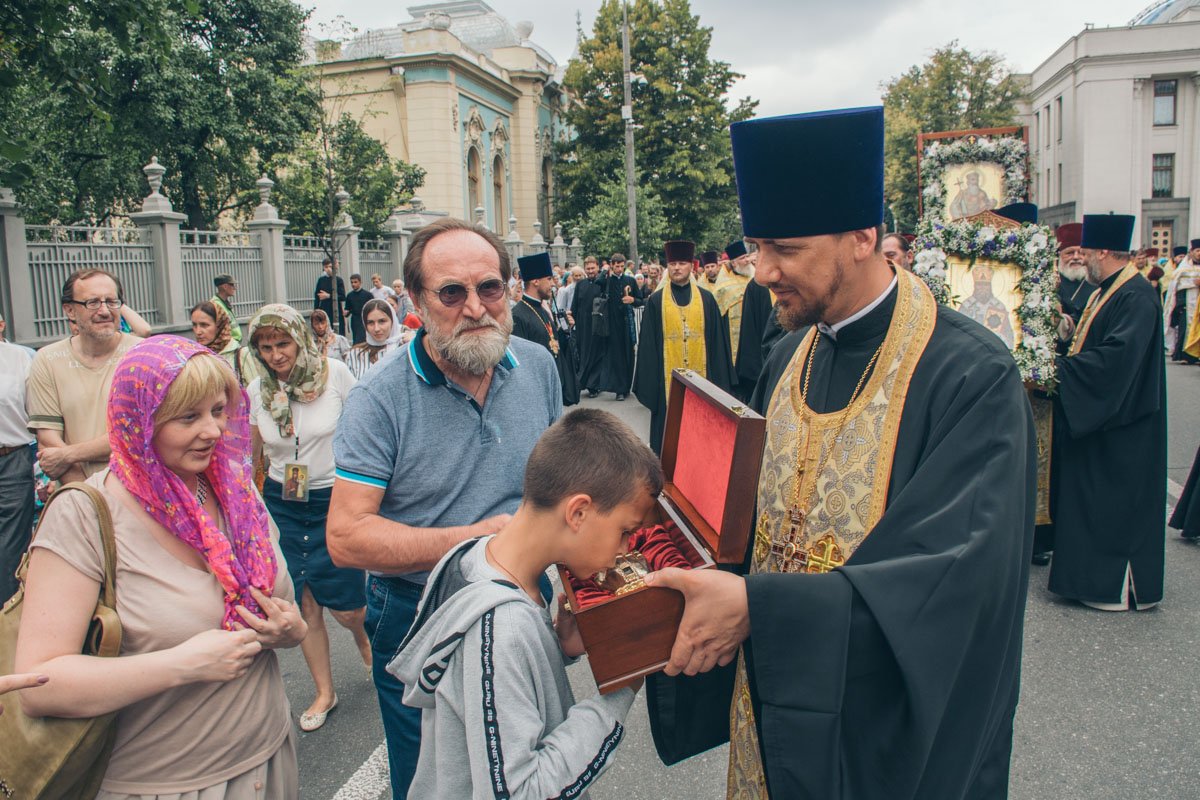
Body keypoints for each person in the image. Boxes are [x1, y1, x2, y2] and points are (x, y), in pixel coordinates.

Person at [640, 107, 1035, 799]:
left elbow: (953, 583)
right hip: (777, 703)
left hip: (885, 740)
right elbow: (740, 519)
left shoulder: (971, 376)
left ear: (863, 237)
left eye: (784, 249)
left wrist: (760, 608)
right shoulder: (790, 353)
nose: (761, 271)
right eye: (756, 245)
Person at [328, 217, 562, 799]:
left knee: (528, 760)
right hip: (418, 613)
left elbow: (561, 483)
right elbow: (347, 537)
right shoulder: (377, 400)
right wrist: (476, 539)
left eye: (490, 287)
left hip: (524, 603)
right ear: (415, 300)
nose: (476, 307)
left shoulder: (537, 366)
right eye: (452, 293)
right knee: (433, 781)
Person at [15, 335, 304, 795]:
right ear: (138, 421)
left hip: (267, 761)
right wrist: (181, 665)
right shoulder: (87, 513)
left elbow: (284, 607)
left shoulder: (236, 494)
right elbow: (39, 685)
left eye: (217, 410)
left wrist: (290, 631)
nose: (211, 430)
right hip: (162, 782)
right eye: (188, 416)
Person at [392, 408, 658, 798]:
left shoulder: (475, 555)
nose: (624, 550)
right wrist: (625, 684)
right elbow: (521, 791)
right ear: (578, 512)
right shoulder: (500, 629)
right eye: (624, 532)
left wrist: (557, 645)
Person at [246, 304, 371, 731]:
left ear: (299, 339)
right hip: (284, 503)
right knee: (304, 602)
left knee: (348, 609)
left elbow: (365, 427)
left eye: (283, 343)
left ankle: (363, 636)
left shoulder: (334, 374)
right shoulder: (256, 391)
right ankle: (325, 691)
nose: (276, 354)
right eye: (266, 347)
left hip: (334, 499)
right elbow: (251, 453)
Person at [1048, 213, 1166, 611]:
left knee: (1115, 506)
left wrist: (1056, 371)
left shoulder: (1135, 295)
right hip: (1103, 417)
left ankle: (1116, 586)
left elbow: (1116, 359)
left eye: (1086, 252)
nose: (1083, 260)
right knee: (1092, 502)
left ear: (1102, 252)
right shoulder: (1108, 289)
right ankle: (1088, 581)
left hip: (1123, 424)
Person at [26, 269, 140, 484]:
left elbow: (136, 435)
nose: (105, 311)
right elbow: (49, 440)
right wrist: (88, 496)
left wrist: (68, 454)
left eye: (112, 301)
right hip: (76, 492)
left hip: (139, 488)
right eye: (92, 303)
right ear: (70, 310)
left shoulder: (142, 354)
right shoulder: (48, 360)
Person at [634, 240, 734, 454]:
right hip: (667, 385)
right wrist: (654, 387)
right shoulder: (656, 301)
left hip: (703, 384)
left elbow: (718, 346)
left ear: (691, 266)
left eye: (681, 263)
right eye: (672, 264)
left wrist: (719, 386)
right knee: (669, 449)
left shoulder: (707, 300)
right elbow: (648, 348)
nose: (676, 268)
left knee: (702, 448)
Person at [512, 252, 580, 406]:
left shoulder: (542, 309)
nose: (553, 284)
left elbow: (552, 342)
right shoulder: (517, 315)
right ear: (536, 281)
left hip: (552, 387)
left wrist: (565, 331)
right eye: (549, 279)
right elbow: (521, 364)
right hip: (536, 394)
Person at [0, 337, 35, 602]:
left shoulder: (19, 358)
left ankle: (7, 615)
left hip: (13, 458)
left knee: (11, 547)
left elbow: (36, 412)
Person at [581, 253, 642, 400]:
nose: (619, 269)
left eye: (621, 266)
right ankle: (619, 389)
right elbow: (597, 283)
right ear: (612, 265)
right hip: (611, 323)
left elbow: (641, 300)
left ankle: (626, 386)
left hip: (627, 323)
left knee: (628, 354)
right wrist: (605, 270)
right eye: (616, 266)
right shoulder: (606, 280)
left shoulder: (630, 280)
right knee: (616, 356)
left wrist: (632, 299)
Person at [714, 240, 756, 399]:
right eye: (742, 258)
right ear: (733, 262)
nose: (746, 261)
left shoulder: (754, 278)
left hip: (753, 336)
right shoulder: (723, 286)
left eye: (746, 257)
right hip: (732, 340)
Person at [190, 300, 263, 386]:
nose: (198, 331)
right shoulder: (196, 357)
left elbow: (257, 392)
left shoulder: (242, 355)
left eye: (204, 325)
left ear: (219, 325)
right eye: (195, 325)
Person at [344, 298, 409, 379]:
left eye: (382, 321)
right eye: (370, 323)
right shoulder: (355, 355)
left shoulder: (406, 350)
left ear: (393, 321)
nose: (376, 329)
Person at [570, 256, 604, 392]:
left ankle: (593, 385)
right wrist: (572, 319)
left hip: (598, 324)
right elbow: (575, 305)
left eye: (593, 268)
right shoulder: (580, 284)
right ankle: (583, 382)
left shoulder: (602, 283)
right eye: (588, 268)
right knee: (584, 354)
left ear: (597, 267)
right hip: (583, 326)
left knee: (597, 354)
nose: (590, 271)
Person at [1164, 238, 1200, 362]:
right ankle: (1185, 355)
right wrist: (1194, 283)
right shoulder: (1183, 268)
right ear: (1191, 252)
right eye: (1197, 250)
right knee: (1185, 329)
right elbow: (1177, 286)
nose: (1199, 253)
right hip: (1187, 303)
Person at [1054, 222, 1095, 324]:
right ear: (1059, 255)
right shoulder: (1052, 282)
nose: (1076, 257)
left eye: (1081, 253)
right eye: (1069, 253)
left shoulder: (1096, 282)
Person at [314, 257, 347, 336]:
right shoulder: (321, 280)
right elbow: (317, 297)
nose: (328, 269)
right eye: (326, 267)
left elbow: (342, 296)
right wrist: (316, 310)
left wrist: (329, 296)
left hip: (336, 310)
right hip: (324, 309)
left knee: (337, 332)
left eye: (330, 266)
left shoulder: (338, 280)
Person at [210, 273, 243, 343]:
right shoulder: (216, 305)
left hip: (234, 344)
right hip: (228, 345)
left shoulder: (224, 303)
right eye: (232, 285)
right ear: (225, 286)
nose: (235, 288)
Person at [344, 273, 374, 345]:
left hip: (365, 319)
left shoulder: (368, 295)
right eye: (352, 282)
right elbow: (347, 309)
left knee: (363, 339)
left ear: (360, 282)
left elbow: (373, 308)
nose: (353, 284)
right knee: (356, 339)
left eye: (355, 282)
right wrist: (346, 312)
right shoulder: (349, 295)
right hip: (355, 320)